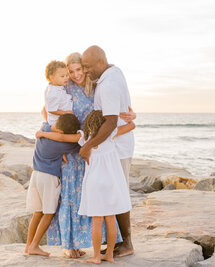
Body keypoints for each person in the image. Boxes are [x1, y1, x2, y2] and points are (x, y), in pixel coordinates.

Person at [42, 52, 135, 258]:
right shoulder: (63, 87)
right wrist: (60, 148)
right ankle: (69, 244)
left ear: (85, 68)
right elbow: (46, 112)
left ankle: (106, 244)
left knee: (92, 197)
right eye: (71, 71)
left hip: (93, 146)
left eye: (79, 69)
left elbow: (113, 113)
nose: (76, 75)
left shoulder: (95, 85)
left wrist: (131, 115)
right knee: (69, 196)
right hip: (74, 147)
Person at [80, 45, 135, 257]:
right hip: (115, 145)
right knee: (116, 192)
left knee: (118, 193)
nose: (85, 71)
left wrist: (86, 146)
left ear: (101, 63)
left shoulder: (108, 84)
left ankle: (127, 244)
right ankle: (119, 243)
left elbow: (111, 122)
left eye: (88, 66)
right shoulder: (112, 72)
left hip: (117, 147)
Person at [79, 110, 132, 264]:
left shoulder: (85, 139)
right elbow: (131, 125)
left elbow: (68, 136)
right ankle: (109, 254)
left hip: (95, 183)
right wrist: (129, 115)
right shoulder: (111, 134)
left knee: (97, 220)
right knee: (110, 218)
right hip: (110, 182)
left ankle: (96, 256)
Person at [25, 114, 81, 257]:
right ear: (62, 134)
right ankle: (35, 246)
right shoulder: (63, 144)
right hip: (49, 178)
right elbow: (78, 142)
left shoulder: (44, 129)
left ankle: (28, 246)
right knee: (49, 213)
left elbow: (45, 116)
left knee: (37, 212)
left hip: (36, 175)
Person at [44, 60, 73, 126]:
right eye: (62, 76)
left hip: (62, 120)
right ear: (52, 78)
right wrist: (65, 113)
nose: (66, 78)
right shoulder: (53, 92)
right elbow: (51, 110)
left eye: (67, 75)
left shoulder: (57, 86)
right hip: (57, 122)